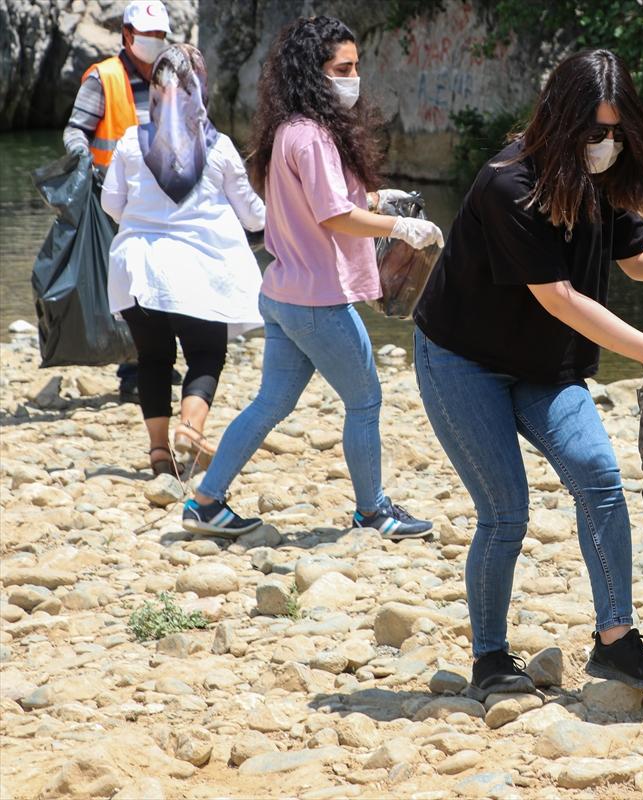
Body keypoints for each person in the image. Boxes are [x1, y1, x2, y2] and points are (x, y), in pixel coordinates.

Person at [412, 49, 643, 698]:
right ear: (562, 124)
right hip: (462, 362)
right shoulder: (506, 185)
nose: (607, 145)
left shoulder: (597, 178)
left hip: (544, 366)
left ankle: (615, 641)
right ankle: (489, 661)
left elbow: (638, 256)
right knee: (505, 511)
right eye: (595, 133)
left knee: (598, 476)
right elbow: (560, 298)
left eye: (618, 133)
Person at [181, 15, 442, 538]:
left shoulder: (289, 130)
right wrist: (402, 226)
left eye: (356, 66)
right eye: (341, 68)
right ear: (313, 73)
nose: (353, 77)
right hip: (319, 302)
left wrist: (377, 199)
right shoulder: (315, 137)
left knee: (271, 402)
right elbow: (333, 216)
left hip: (283, 292)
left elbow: (331, 204)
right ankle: (372, 511)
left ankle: (205, 502)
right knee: (366, 400)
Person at [100, 44, 265, 478]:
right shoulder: (221, 147)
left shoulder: (131, 143)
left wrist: (147, 222)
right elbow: (252, 215)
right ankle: (190, 430)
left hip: (138, 271)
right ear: (200, 88)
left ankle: (158, 455)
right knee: (207, 354)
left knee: (153, 359)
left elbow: (111, 204)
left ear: (155, 88)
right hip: (201, 274)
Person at [64, 0, 174, 404]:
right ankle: (134, 371)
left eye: (160, 36)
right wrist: (83, 163)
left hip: (164, 195)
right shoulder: (104, 78)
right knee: (134, 288)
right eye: (147, 36)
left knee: (163, 280)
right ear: (127, 36)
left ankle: (158, 362)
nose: (154, 42)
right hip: (114, 198)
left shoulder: (169, 76)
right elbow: (76, 131)